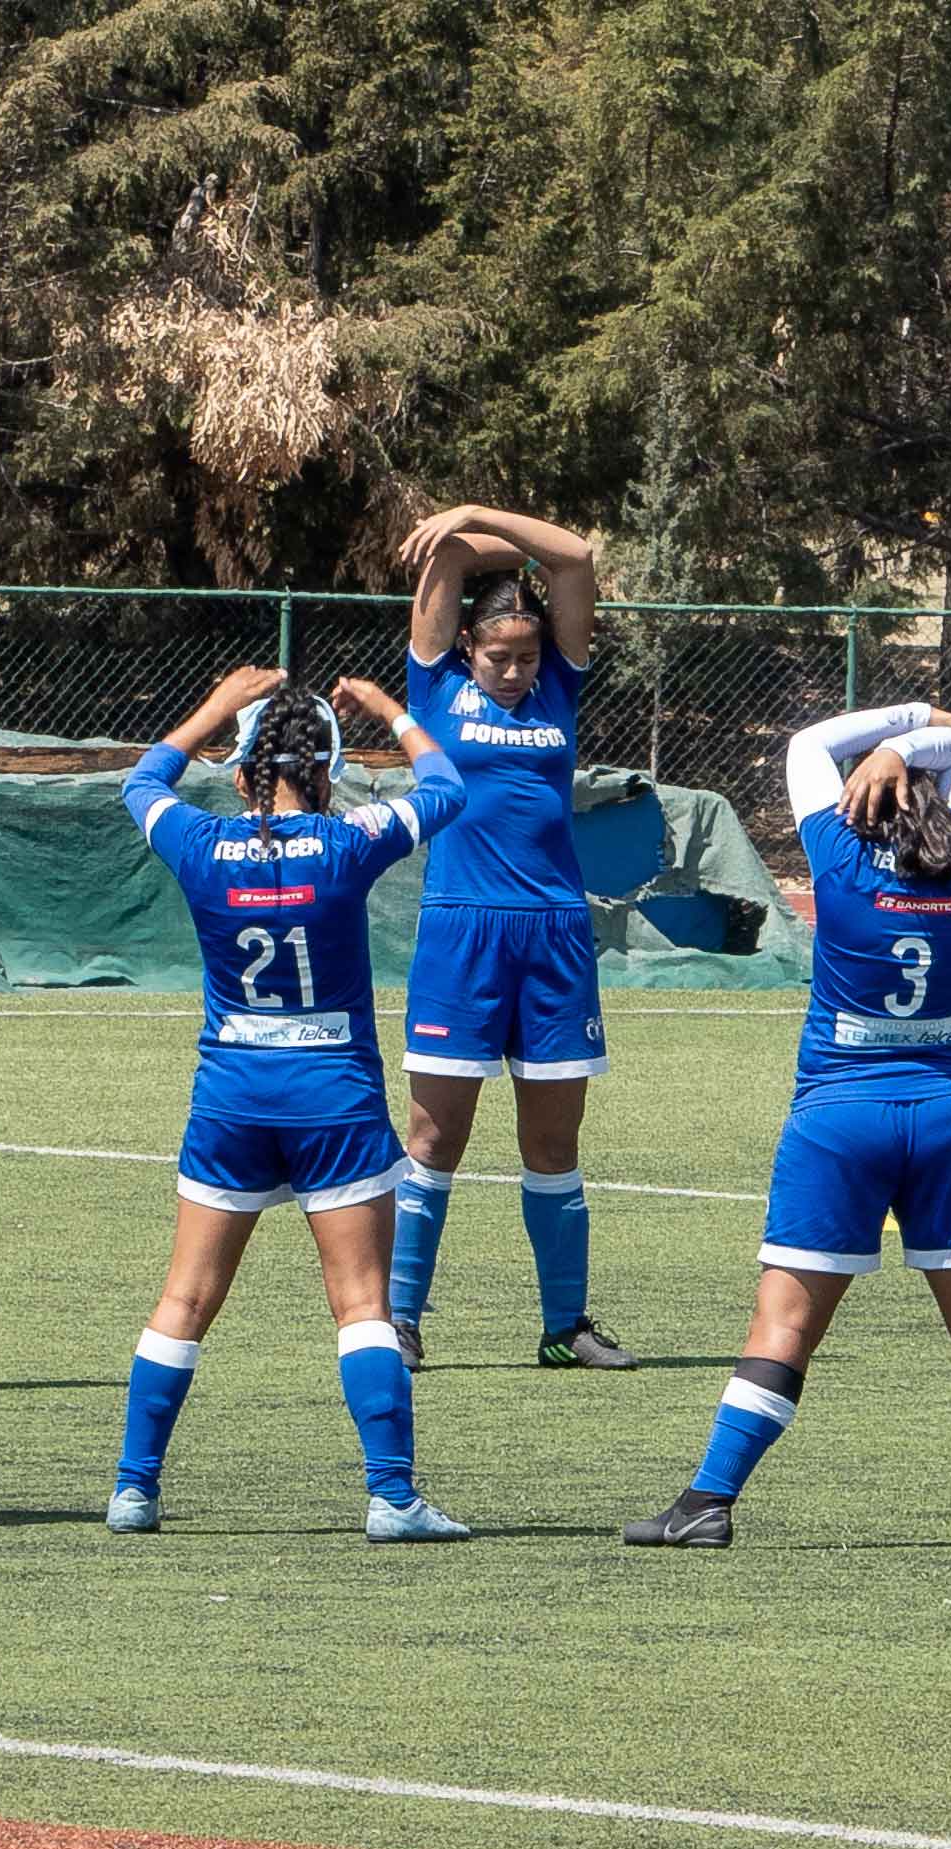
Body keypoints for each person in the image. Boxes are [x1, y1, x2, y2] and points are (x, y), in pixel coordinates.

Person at [620, 702, 951, 1554]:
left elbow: (806, 742)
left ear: (860, 801)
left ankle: (707, 1502)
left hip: (838, 1115)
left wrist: (893, 729)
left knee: (783, 1323)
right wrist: (914, 742)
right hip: (950, 1118)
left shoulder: (838, 859)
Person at [107, 668, 476, 1541]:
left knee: (184, 1301)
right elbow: (448, 787)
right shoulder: (349, 842)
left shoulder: (197, 843)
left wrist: (211, 704)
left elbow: (138, 781)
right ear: (330, 773)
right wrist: (391, 708)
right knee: (360, 1305)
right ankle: (391, 1497)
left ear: (239, 774)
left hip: (231, 1097)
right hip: (334, 1101)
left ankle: (133, 1489)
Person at [383, 504, 637, 1372]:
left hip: (556, 935)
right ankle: (401, 1321)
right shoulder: (434, 688)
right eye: (500, 657)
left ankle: (565, 1327)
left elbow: (575, 558)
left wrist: (475, 514)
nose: (516, 670)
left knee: (553, 1145)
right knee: (432, 1139)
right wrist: (458, 541)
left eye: (527, 656)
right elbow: (445, 567)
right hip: (462, 932)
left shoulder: (558, 685)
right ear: (466, 651)